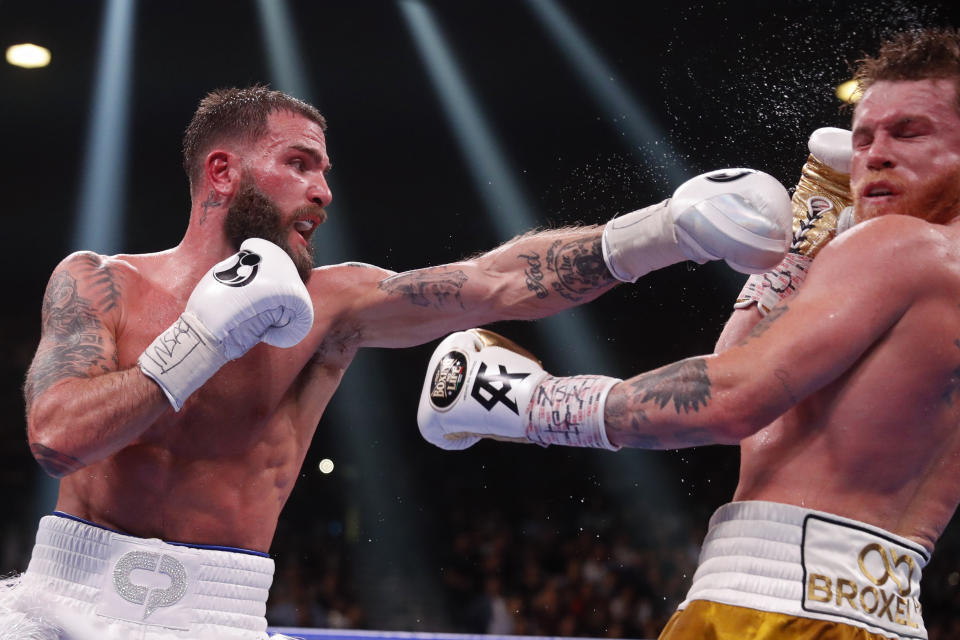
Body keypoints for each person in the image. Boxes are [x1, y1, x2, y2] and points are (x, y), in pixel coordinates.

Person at [11, 84, 791, 640]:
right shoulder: (102, 282)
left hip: (213, 613)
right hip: (56, 598)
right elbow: (57, 437)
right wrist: (200, 343)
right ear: (224, 172)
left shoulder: (335, 304)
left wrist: (663, 230)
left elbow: (496, 281)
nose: (322, 190)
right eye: (299, 164)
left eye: (326, 173)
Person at [418, 28, 960, 639]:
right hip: (884, 613)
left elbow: (730, 399)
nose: (875, 155)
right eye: (863, 137)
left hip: (772, 608)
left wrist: (530, 403)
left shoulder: (897, 245)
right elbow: (747, 368)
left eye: (909, 131)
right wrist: (802, 247)